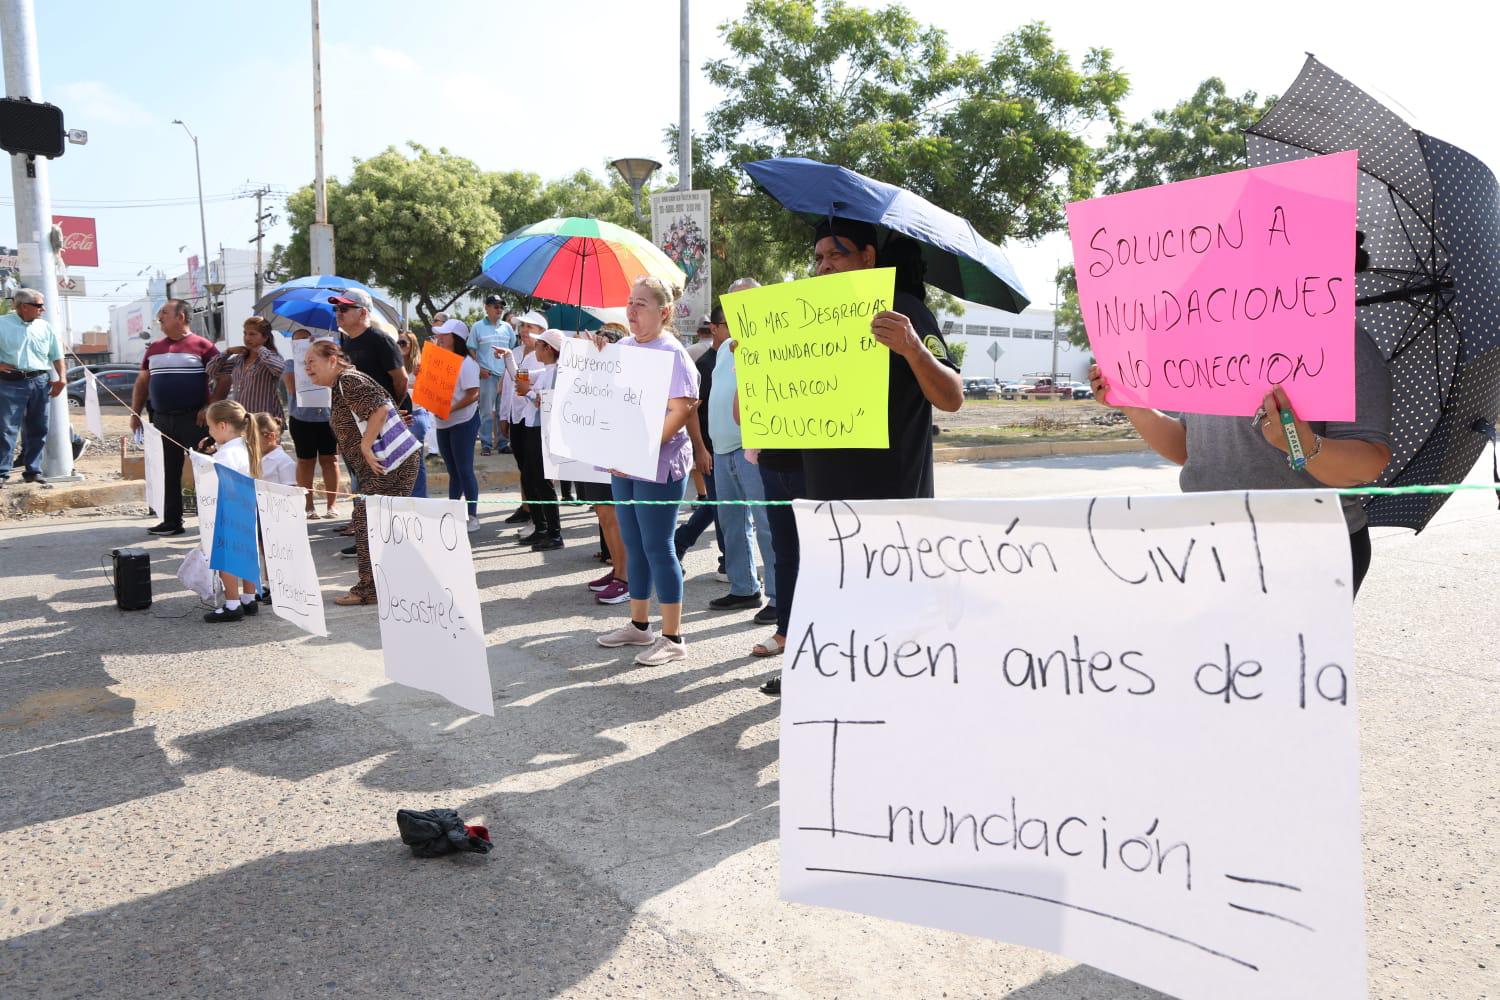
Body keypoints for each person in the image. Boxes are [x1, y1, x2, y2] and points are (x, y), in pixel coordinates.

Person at [1088, 342, 1392, 595]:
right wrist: (1133, 406)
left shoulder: (1344, 341)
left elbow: (1367, 464)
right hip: (1208, 545)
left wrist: (1299, 444)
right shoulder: (1209, 342)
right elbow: (1189, 449)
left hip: (1306, 553)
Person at [802, 220, 963, 501]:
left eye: (835, 254)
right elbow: (747, 417)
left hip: (893, 504)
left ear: (868, 258)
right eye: (819, 258)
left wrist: (913, 348)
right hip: (824, 503)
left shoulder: (903, 310)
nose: (824, 266)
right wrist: (753, 363)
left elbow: (952, 398)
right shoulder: (805, 323)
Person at [594, 276, 700, 665]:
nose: (632, 310)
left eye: (641, 304)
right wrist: (594, 354)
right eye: (630, 302)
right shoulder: (623, 347)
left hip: (658, 466)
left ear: (664, 311)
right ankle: (639, 626)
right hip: (624, 463)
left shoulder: (673, 353)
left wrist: (644, 443)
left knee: (659, 546)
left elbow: (683, 408)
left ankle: (673, 637)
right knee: (633, 543)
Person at [303, 338, 420, 606]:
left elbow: (380, 408)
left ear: (332, 360)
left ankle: (370, 590)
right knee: (374, 524)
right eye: (305, 363)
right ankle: (390, 585)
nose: (307, 368)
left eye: (312, 361)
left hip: (387, 464)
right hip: (382, 465)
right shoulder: (343, 383)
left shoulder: (348, 381)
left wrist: (366, 445)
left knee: (369, 524)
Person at [703, 300, 778, 621]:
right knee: (732, 523)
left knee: (766, 524)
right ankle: (744, 587)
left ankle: (779, 595)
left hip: (752, 448)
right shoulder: (722, 351)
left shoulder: (767, 341)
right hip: (722, 449)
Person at [130, 299, 221, 536]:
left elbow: (224, 379)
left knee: (206, 469)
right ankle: (172, 521)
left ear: (181, 317)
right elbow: (142, 382)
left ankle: (213, 520)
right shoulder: (154, 348)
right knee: (169, 470)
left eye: (164, 313)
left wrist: (209, 407)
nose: (159, 317)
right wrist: (135, 412)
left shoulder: (204, 346)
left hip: (196, 419)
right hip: (162, 419)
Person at [580, 324, 631, 604]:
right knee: (602, 514)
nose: (598, 341)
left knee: (613, 518)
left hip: (613, 448)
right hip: (593, 447)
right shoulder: (590, 367)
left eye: (604, 339)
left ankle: (625, 577)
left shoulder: (623, 370)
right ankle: (617, 571)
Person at [201, 400, 263, 624]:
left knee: (226, 558)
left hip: (229, 508)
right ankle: (248, 598)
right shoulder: (244, 446)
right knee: (247, 553)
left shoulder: (226, 454)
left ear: (223, 426)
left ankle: (232, 604)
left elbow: (218, 481)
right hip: (246, 506)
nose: (209, 432)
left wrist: (203, 460)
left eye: (210, 427)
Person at [503, 327, 563, 550]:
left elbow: (548, 402)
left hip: (543, 432)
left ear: (548, 348)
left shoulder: (557, 372)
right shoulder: (546, 370)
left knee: (542, 482)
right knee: (530, 478)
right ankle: (540, 528)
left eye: (539, 344)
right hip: (532, 428)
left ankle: (554, 533)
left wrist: (529, 393)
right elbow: (519, 378)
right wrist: (509, 356)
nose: (535, 347)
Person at [0, 288, 64, 486]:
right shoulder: (2, 324)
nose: (43, 309)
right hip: (10, 382)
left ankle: (33, 471)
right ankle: (2, 473)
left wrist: (62, 378)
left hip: (40, 381)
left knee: (39, 427)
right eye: (39, 305)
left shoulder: (45, 327)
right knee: (6, 428)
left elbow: (56, 354)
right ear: (24, 307)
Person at [429, 319, 484, 532]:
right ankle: (453, 512)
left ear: (457, 339)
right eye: (439, 334)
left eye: (444, 334)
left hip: (464, 422)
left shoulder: (467, 364)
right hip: (443, 423)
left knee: (464, 469)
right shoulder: (439, 360)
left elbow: (473, 394)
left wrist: (449, 409)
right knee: (453, 471)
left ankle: (472, 516)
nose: (439, 338)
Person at [282, 328, 341, 519]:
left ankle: (332, 505)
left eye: (306, 341)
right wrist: (303, 366)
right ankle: (308, 506)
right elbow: (291, 389)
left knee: (330, 460)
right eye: (297, 342)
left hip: (327, 417)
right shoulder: (290, 364)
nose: (302, 344)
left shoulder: (326, 362)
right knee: (305, 461)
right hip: (302, 418)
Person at [497, 311, 547, 528]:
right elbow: (508, 387)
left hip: (533, 420)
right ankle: (528, 509)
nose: (524, 331)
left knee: (533, 470)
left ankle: (540, 517)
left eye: (530, 327)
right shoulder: (515, 351)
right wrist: (503, 415)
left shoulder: (543, 356)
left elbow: (525, 382)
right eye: (523, 326)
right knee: (523, 468)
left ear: (542, 333)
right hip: (515, 417)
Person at [209, 317, 285, 420]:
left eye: (252, 334)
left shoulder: (271, 357)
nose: (247, 338)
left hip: (265, 420)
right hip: (243, 419)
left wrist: (260, 349)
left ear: (265, 337)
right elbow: (211, 370)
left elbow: (280, 369)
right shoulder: (239, 359)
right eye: (245, 333)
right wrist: (228, 352)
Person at [471, 294, 517, 455]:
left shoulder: (508, 328)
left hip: (504, 375)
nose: (499, 309)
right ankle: (486, 444)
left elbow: (512, 349)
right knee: (486, 412)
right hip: (487, 375)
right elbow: (471, 349)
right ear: (487, 307)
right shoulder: (477, 327)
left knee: (503, 410)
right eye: (496, 306)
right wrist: (479, 369)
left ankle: (503, 443)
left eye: (501, 307)